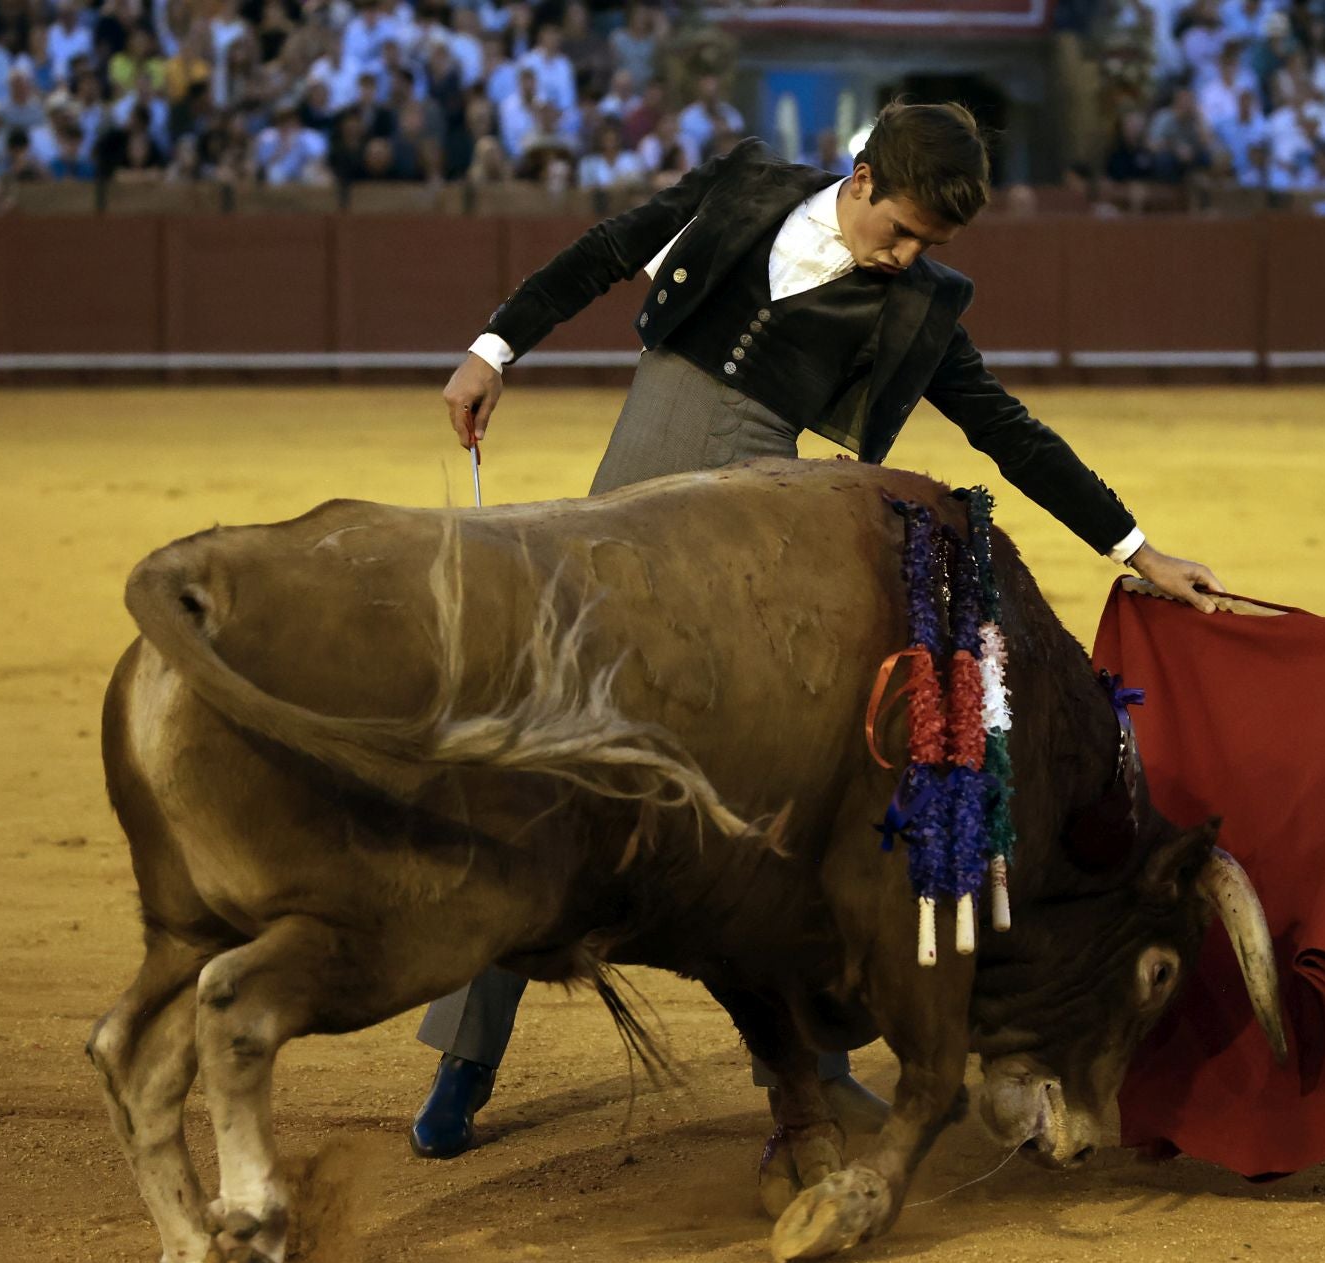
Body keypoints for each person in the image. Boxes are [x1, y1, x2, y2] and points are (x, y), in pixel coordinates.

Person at [413, 101, 1229, 1160]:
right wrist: (493, 349)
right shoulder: (742, 189)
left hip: (754, 560)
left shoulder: (920, 305)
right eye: (901, 230)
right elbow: (604, 252)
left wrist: (1136, 548)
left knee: (781, 805)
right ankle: (465, 1061)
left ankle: (813, 1076)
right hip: (615, 535)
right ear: (862, 177)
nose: (908, 257)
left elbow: (1006, 428)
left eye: (930, 244)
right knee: (546, 777)